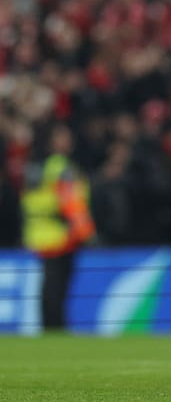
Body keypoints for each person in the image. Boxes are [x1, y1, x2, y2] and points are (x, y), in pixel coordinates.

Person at [22, 124, 94, 330]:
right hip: (61, 234)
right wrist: (86, 232)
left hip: (40, 232)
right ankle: (56, 327)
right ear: (52, 140)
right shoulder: (61, 167)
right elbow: (72, 202)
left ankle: (49, 326)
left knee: (49, 285)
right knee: (58, 287)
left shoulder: (38, 165)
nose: (68, 140)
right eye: (62, 136)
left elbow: (29, 198)